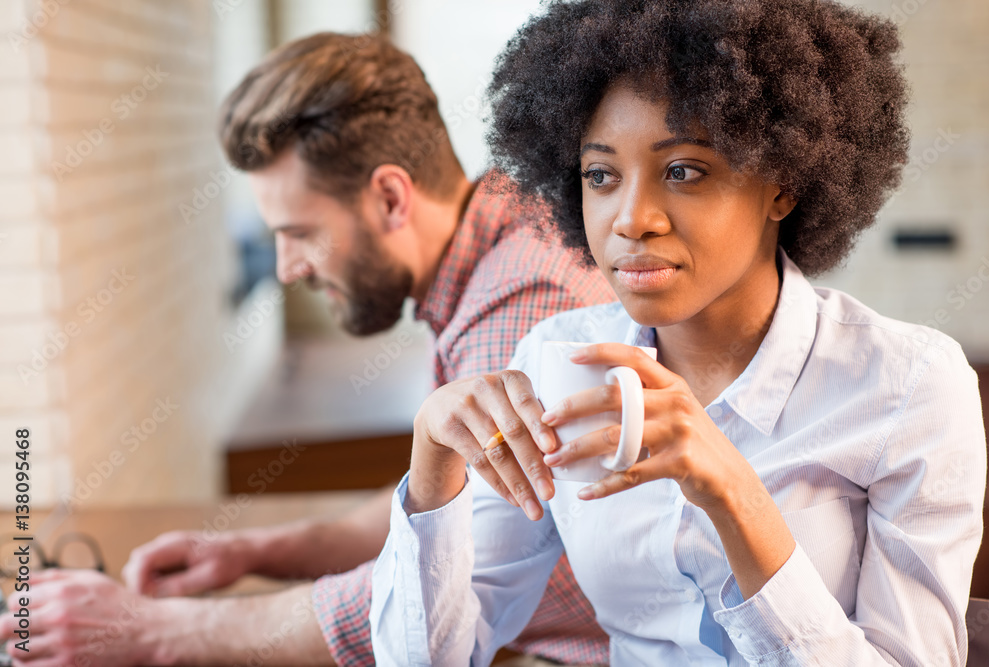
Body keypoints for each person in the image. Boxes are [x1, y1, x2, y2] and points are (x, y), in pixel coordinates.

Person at [370, 1, 988, 665]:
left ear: (781, 184)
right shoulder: (558, 366)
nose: (631, 219)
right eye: (600, 175)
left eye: (684, 171)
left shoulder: (911, 385)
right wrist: (433, 463)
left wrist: (733, 493)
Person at [0, 33, 616, 666]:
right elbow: (452, 502)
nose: (289, 268)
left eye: (300, 233)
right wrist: (261, 552)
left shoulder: (514, 307)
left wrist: (151, 631)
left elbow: (438, 594)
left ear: (390, 198)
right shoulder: (504, 234)